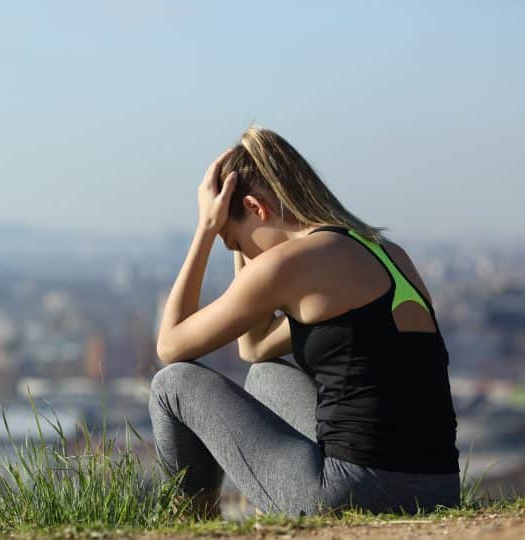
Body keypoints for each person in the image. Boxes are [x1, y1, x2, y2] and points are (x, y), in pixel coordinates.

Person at [148, 124, 460, 519]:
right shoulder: (388, 253)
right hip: (441, 487)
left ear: (257, 208)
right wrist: (240, 237)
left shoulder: (290, 263)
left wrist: (207, 229)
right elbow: (255, 347)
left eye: (238, 242)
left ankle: (192, 526)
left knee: (171, 384)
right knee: (264, 377)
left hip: (355, 493)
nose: (245, 257)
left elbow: (169, 346)